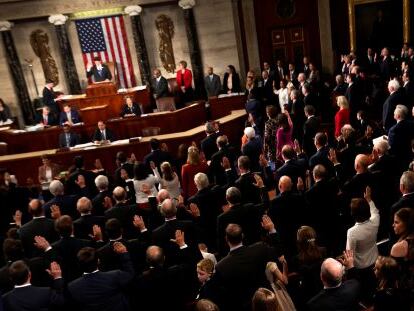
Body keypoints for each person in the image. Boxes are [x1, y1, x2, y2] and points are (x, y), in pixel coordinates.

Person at [68, 243, 134, 310]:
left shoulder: (72, 287)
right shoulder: (114, 276)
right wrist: (123, 253)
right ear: (98, 261)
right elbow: (130, 274)